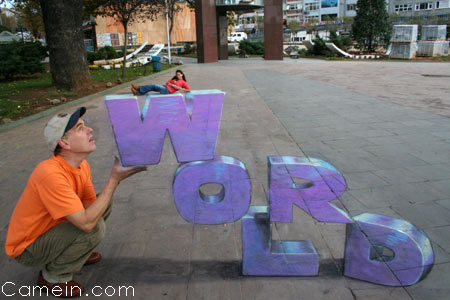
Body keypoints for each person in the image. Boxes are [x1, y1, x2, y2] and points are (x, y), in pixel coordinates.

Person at [4, 107, 147, 298]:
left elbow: (90, 205)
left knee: (102, 202)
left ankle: (77, 252)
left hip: (53, 228)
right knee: (93, 228)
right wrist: (114, 180)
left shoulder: (81, 165)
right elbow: (87, 223)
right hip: (28, 248)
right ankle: (53, 276)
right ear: (64, 142)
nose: (90, 130)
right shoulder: (50, 173)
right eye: (80, 128)